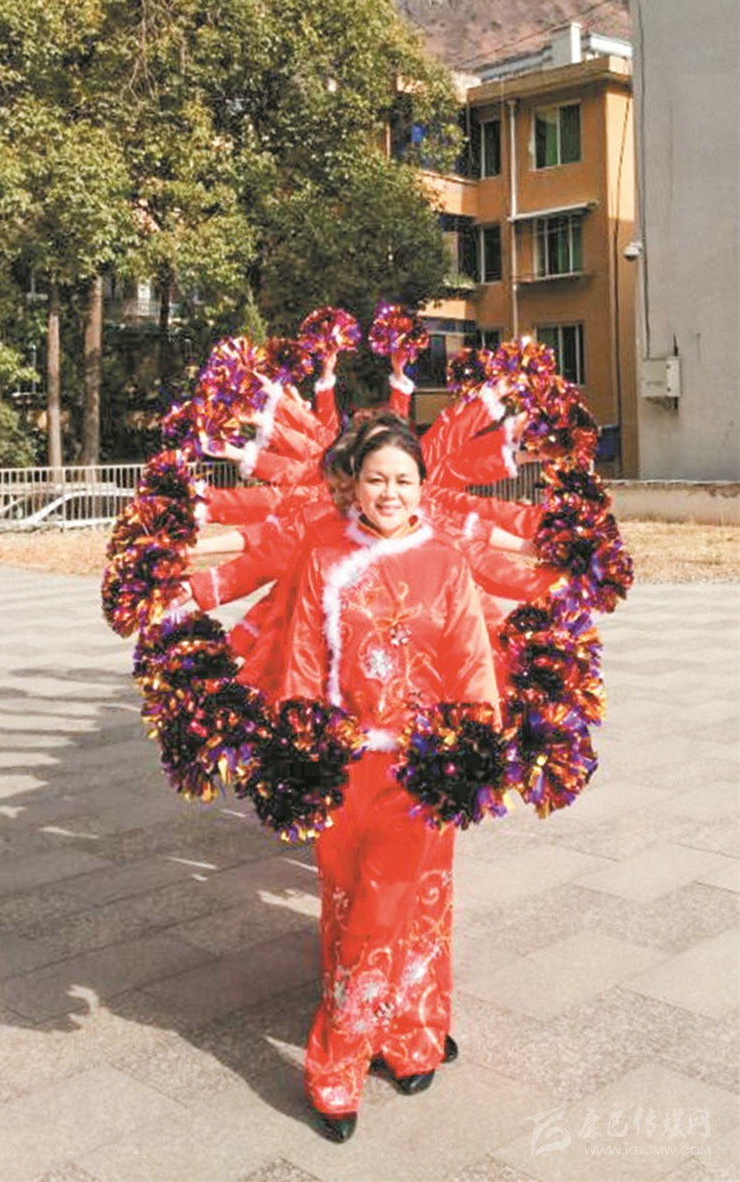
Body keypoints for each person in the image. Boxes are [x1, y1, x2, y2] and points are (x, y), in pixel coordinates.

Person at [272, 416, 500, 1143]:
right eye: (376, 478)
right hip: (343, 765)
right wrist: (302, 748)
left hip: (421, 768)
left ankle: (345, 1060)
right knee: (347, 903)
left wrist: (472, 749)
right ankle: (398, 1031)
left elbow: (471, 660)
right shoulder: (324, 556)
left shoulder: (447, 563)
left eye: (403, 479)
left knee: (404, 903)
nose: (390, 492)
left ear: (422, 485)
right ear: (356, 484)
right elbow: (302, 656)